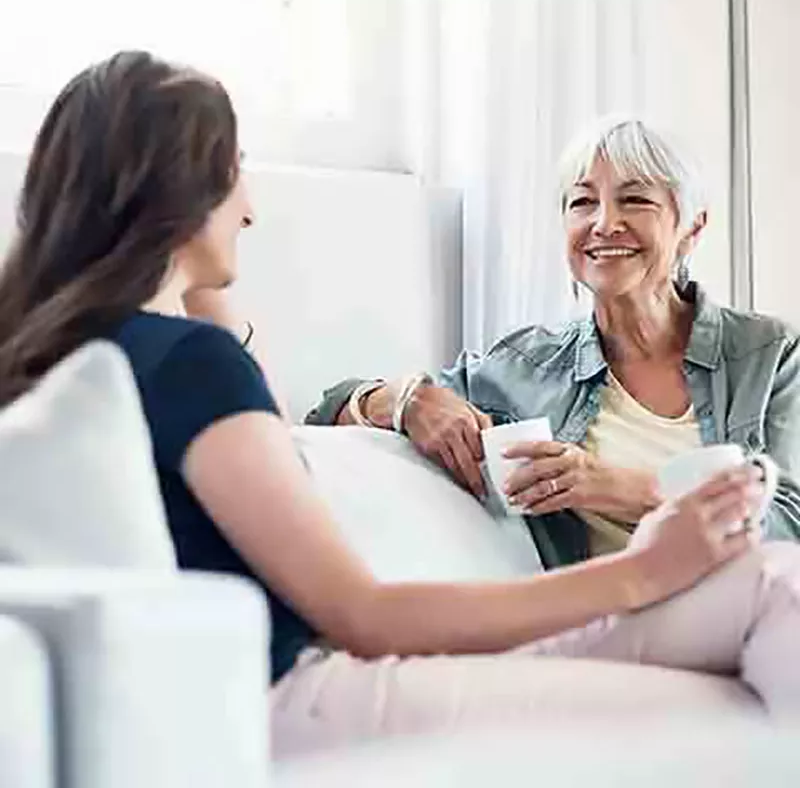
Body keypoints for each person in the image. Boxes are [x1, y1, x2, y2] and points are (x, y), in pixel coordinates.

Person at [0, 52, 798, 757]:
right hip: (308, 692)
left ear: (691, 227)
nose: (251, 207)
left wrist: (189, 275)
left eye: (635, 201)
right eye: (235, 170)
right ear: (179, 193)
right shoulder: (186, 366)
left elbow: (264, 418)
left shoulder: (82, 356)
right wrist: (643, 570)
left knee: (777, 587)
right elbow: (363, 610)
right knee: (730, 706)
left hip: (289, 684)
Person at [307, 116, 800, 567]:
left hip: (755, 596)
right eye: (583, 202)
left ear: (692, 227)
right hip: (613, 626)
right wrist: (405, 401)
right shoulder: (526, 369)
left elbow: (789, 525)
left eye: (635, 199)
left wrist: (618, 487)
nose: (605, 223)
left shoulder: (772, 354)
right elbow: (324, 415)